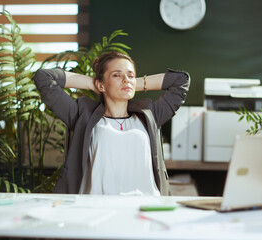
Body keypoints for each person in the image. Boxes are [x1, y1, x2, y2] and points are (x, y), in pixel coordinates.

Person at [33, 51, 190, 196]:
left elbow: (181, 80)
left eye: (130, 75)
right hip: (97, 211)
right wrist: (93, 83)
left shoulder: (150, 114)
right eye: (117, 75)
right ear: (100, 85)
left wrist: (132, 85)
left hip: (144, 209)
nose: (126, 79)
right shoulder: (82, 115)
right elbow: (44, 78)